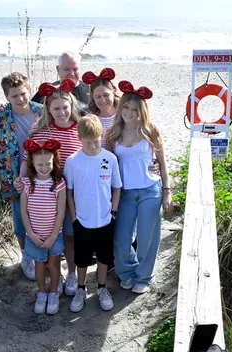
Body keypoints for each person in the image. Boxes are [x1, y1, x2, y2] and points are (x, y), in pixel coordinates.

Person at [105, 80, 174, 294]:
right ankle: (127, 273)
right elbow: (109, 165)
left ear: (142, 111)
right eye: (125, 107)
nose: (129, 112)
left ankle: (144, 277)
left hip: (149, 191)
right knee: (121, 239)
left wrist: (167, 192)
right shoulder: (113, 134)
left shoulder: (151, 131)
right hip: (125, 193)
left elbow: (162, 163)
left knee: (147, 238)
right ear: (120, 107)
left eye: (135, 109)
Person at [0, 71, 42, 281]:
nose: (20, 99)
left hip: (42, 174)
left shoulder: (42, 113)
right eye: (14, 96)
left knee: (44, 216)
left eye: (23, 94)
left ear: (29, 90)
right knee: (20, 221)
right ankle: (26, 257)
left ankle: (46, 257)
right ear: (6, 97)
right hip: (14, 177)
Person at [17, 79, 82, 297]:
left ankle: (72, 272)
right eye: (56, 108)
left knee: (71, 235)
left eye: (65, 107)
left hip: (74, 193)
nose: (62, 112)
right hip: (47, 192)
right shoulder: (41, 129)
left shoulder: (80, 128)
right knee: (52, 232)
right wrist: (21, 179)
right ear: (48, 109)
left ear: (71, 105)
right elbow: (28, 158)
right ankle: (55, 274)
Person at [64, 116, 122, 312]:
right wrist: (74, 219)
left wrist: (113, 213)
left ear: (101, 136)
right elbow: (69, 193)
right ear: (79, 138)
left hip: (105, 219)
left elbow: (116, 188)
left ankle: (102, 287)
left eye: (96, 141)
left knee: (104, 257)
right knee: (81, 258)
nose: (92, 145)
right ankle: (81, 288)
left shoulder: (110, 158)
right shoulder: (73, 161)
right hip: (82, 221)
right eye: (88, 142)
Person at [20, 139, 67, 314]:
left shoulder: (59, 184)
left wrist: (53, 236)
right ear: (32, 162)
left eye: (48, 163)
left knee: (54, 264)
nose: (44, 167)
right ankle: (41, 293)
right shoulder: (27, 184)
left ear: (53, 161)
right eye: (40, 164)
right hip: (35, 235)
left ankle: (53, 292)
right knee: (39, 265)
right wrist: (31, 234)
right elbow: (24, 212)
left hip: (54, 234)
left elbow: (61, 213)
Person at [81, 67, 120, 147]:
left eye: (106, 95)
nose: (103, 100)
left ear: (113, 91)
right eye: (98, 97)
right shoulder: (90, 119)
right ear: (92, 97)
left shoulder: (124, 113)